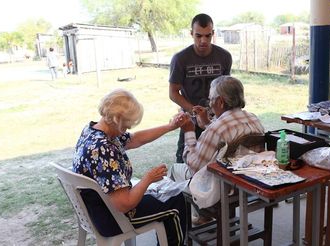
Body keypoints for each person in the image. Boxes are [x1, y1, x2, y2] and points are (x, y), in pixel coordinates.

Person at [73, 89, 186, 246]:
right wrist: (148, 179)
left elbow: (135, 139)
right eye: (126, 125)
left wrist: (170, 127)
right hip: (112, 218)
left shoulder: (93, 131)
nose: (127, 129)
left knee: (164, 192)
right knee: (176, 201)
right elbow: (125, 203)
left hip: (96, 210)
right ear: (117, 120)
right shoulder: (103, 149)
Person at [169, 75, 265, 216]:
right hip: (247, 181)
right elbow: (229, 132)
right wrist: (208, 123)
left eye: (210, 99)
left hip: (221, 187)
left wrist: (189, 132)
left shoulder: (217, 129)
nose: (209, 104)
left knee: (173, 170)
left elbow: (194, 166)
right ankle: (206, 216)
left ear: (220, 101)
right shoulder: (253, 118)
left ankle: (190, 220)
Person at [169, 13, 232, 163]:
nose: (203, 40)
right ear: (191, 34)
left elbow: (226, 88)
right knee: (186, 162)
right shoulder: (180, 59)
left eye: (207, 36)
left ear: (213, 34)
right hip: (191, 120)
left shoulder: (224, 56)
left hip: (217, 120)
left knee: (218, 162)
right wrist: (194, 111)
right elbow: (173, 93)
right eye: (198, 36)